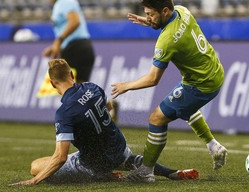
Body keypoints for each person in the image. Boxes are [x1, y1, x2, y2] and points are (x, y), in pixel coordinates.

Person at [9, 59, 199, 186]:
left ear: (52, 83)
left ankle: (103, 175)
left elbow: (59, 157)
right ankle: (172, 172)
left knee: (37, 166)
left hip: (93, 164)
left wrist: (34, 181)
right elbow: (109, 106)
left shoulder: (64, 112)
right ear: (72, 75)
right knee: (129, 159)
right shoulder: (92, 87)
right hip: (118, 148)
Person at [111, 0, 227, 182]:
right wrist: (149, 22)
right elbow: (172, 28)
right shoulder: (182, 10)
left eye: (150, 14)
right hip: (213, 71)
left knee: (157, 118)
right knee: (183, 106)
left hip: (201, 84)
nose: (148, 17)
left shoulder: (166, 41)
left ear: (165, 11)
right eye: (146, 14)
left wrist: (126, 86)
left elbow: (153, 79)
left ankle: (146, 171)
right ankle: (213, 145)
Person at [42, 0, 95, 84]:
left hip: (76, 49)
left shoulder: (65, 0)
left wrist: (58, 41)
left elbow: (75, 21)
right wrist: (55, 47)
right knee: (80, 94)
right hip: (78, 48)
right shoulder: (59, 4)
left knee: (67, 90)